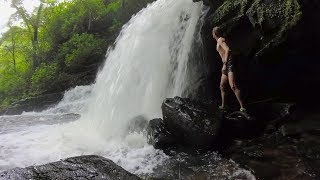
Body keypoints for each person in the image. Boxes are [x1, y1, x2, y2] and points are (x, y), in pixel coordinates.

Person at [212, 26, 247, 113]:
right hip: (227, 64)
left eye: (212, 33)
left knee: (233, 86)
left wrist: (224, 64)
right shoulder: (220, 40)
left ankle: (243, 107)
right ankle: (224, 106)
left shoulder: (220, 40)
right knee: (222, 85)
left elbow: (228, 50)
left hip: (229, 64)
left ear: (214, 34)